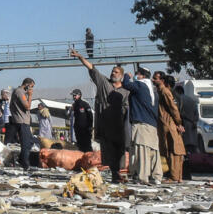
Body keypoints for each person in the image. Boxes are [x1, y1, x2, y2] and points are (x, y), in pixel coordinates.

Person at [69, 49, 128, 183]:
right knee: (108, 150)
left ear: (122, 76)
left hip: (120, 125)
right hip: (106, 124)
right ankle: (115, 174)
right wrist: (80, 57)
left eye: (116, 72)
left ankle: (120, 173)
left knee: (120, 150)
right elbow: (92, 68)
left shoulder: (126, 90)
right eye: (112, 71)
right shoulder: (104, 83)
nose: (113, 73)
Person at [121, 66, 161, 185]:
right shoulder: (153, 91)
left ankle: (143, 177)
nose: (136, 75)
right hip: (152, 125)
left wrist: (128, 76)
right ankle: (157, 176)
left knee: (141, 151)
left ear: (142, 76)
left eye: (137, 74)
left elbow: (126, 84)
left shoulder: (140, 85)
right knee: (154, 152)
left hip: (142, 124)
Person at [154, 73, 186, 182]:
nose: (153, 80)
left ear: (163, 81)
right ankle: (177, 176)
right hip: (167, 124)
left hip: (169, 124)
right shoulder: (162, 92)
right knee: (172, 150)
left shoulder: (165, 92)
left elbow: (173, 109)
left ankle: (174, 176)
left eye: (155, 78)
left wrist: (179, 123)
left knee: (173, 150)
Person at [10, 77, 34, 172]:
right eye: (31, 87)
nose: (31, 89)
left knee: (30, 141)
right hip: (22, 121)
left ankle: (21, 159)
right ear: (27, 85)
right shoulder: (19, 92)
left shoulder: (21, 92)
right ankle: (25, 164)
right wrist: (30, 95)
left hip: (23, 121)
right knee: (26, 144)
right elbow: (27, 106)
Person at [68, 89, 93, 153]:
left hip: (85, 129)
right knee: (80, 146)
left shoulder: (84, 104)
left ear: (79, 95)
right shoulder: (74, 105)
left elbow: (90, 115)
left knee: (87, 146)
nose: (74, 97)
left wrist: (90, 126)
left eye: (75, 95)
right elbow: (70, 116)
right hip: (78, 129)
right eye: (73, 95)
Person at [177, 84, 200, 153]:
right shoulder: (191, 100)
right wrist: (194, 122)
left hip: (184, 125)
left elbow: (178, 113)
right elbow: (197, 114)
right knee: (193, 147)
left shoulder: (179, 99)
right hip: (193, 126)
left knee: (184, 147)